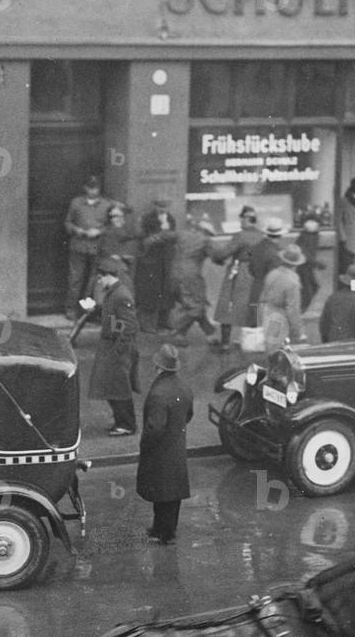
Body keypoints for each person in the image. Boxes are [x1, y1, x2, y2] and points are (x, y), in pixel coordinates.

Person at [137, 343, 194, 546]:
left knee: (160, 493)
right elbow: (188, 414)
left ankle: (163, 533)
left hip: (160, 450)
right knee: (173, 493)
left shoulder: (158, 393)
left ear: (157, 367)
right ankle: (166, 528)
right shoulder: (183, 387)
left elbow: (155, 428)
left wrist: (145, 445)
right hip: (176, 446)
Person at [86, 258, 140, 436]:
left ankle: (127, 424)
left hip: (117, 349)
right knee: (111, 386)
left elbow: (129, 325)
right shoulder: (114, 292)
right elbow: (115, 320)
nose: (99, 281)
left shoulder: (121, 295)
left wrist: (118, 351)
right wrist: (95, 309)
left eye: (101, 278)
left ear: (109, 276)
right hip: (111, 345)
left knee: (118, 388)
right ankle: (121, 421)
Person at [210, 205, 265, 352]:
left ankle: (225, 343)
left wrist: (215, 256)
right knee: (251, 306)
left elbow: (223, 254)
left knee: (227, 304)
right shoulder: (262, 235)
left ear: (246, 219)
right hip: (257, 274)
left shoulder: (240, 236)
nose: (241, 221)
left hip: (240, 271)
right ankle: (249, 340)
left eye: (242, 218)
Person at [63, 175, 113, 320]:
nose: (93, 191)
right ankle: (71, 309)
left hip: (97, 247)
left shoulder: (106, 204)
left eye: (96, 188)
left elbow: (111, 225)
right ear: (85, 188)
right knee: (75, 279)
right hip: (78, 245)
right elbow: (68, 222)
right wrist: (78, 231)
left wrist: (100, 231)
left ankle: (88, 312)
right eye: (90, 188)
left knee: (94, 281)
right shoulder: (76, 203)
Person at [168, 215, 217, 347]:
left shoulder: (183, 234)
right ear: (206, 232)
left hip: (174, 273)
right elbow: (217, 256)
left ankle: (209, 333)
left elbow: (165, 236)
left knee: (191, 303)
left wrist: (150, 239)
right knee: (197, 305)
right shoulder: (205, 241)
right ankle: (177, 329)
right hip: (191, 276)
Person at [135, 198, 177, 334]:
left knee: (166, 290)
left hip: (165, 260)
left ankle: (163, 321)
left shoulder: (170, 219)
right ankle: (147, 323)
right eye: (160, 206)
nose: (162, 209)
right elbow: (143, 238)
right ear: (155, 206)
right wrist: (160, 236)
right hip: (150, 260)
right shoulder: (147, 219)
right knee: (150, 292)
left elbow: (172, 237)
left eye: (165, 206)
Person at [259, 244, 307, 352]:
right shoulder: (293, 282)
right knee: (281, 355)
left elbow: (263, 296)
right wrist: (297, 332)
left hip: (267, 312)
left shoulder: (272, 274)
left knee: (270, 349)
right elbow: (293, 309)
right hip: (281, 318)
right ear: (296, 264)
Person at [247, 217, 287, 326]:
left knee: (254, 326)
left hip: (255, 290)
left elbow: (250, 269)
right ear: (280, 235)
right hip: (269, 294)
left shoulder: (256, 247)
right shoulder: (277, 254)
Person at [319, 265, 355, 343]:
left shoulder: (332, 298)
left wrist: (325, 341)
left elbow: (324, 324)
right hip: (350, 343)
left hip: (333, 340)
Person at [97, 203, 140, 291]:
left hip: (124, 265)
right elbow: (105, 251)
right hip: (111, 266)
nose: (117, 219)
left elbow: (136, 234)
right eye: (113, 216)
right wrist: (119, 258)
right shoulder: (108, 231)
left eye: (119, 216)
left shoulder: (126, 229)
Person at [295, 213, 325, 311]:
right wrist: (317, 263)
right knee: (309, 289)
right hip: (304, 267)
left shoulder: (311, 236)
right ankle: (300, 310)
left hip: (307, 266)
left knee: (311, 288)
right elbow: (304, 253)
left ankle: (300, 309)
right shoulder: (307, 236)